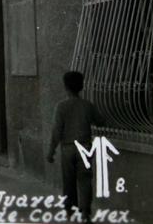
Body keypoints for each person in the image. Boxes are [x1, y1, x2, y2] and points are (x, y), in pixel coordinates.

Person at [47, 71, 105, 221]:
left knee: (68, 182)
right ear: (81, 86)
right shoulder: (87, 106)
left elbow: (56, 131)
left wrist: (51, 150)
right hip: (85, 147)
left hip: (67, 148)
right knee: (85, 180)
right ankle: (85, 212)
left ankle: (70, 212)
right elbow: (100, 121)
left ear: (65, 87)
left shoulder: (61, 107)